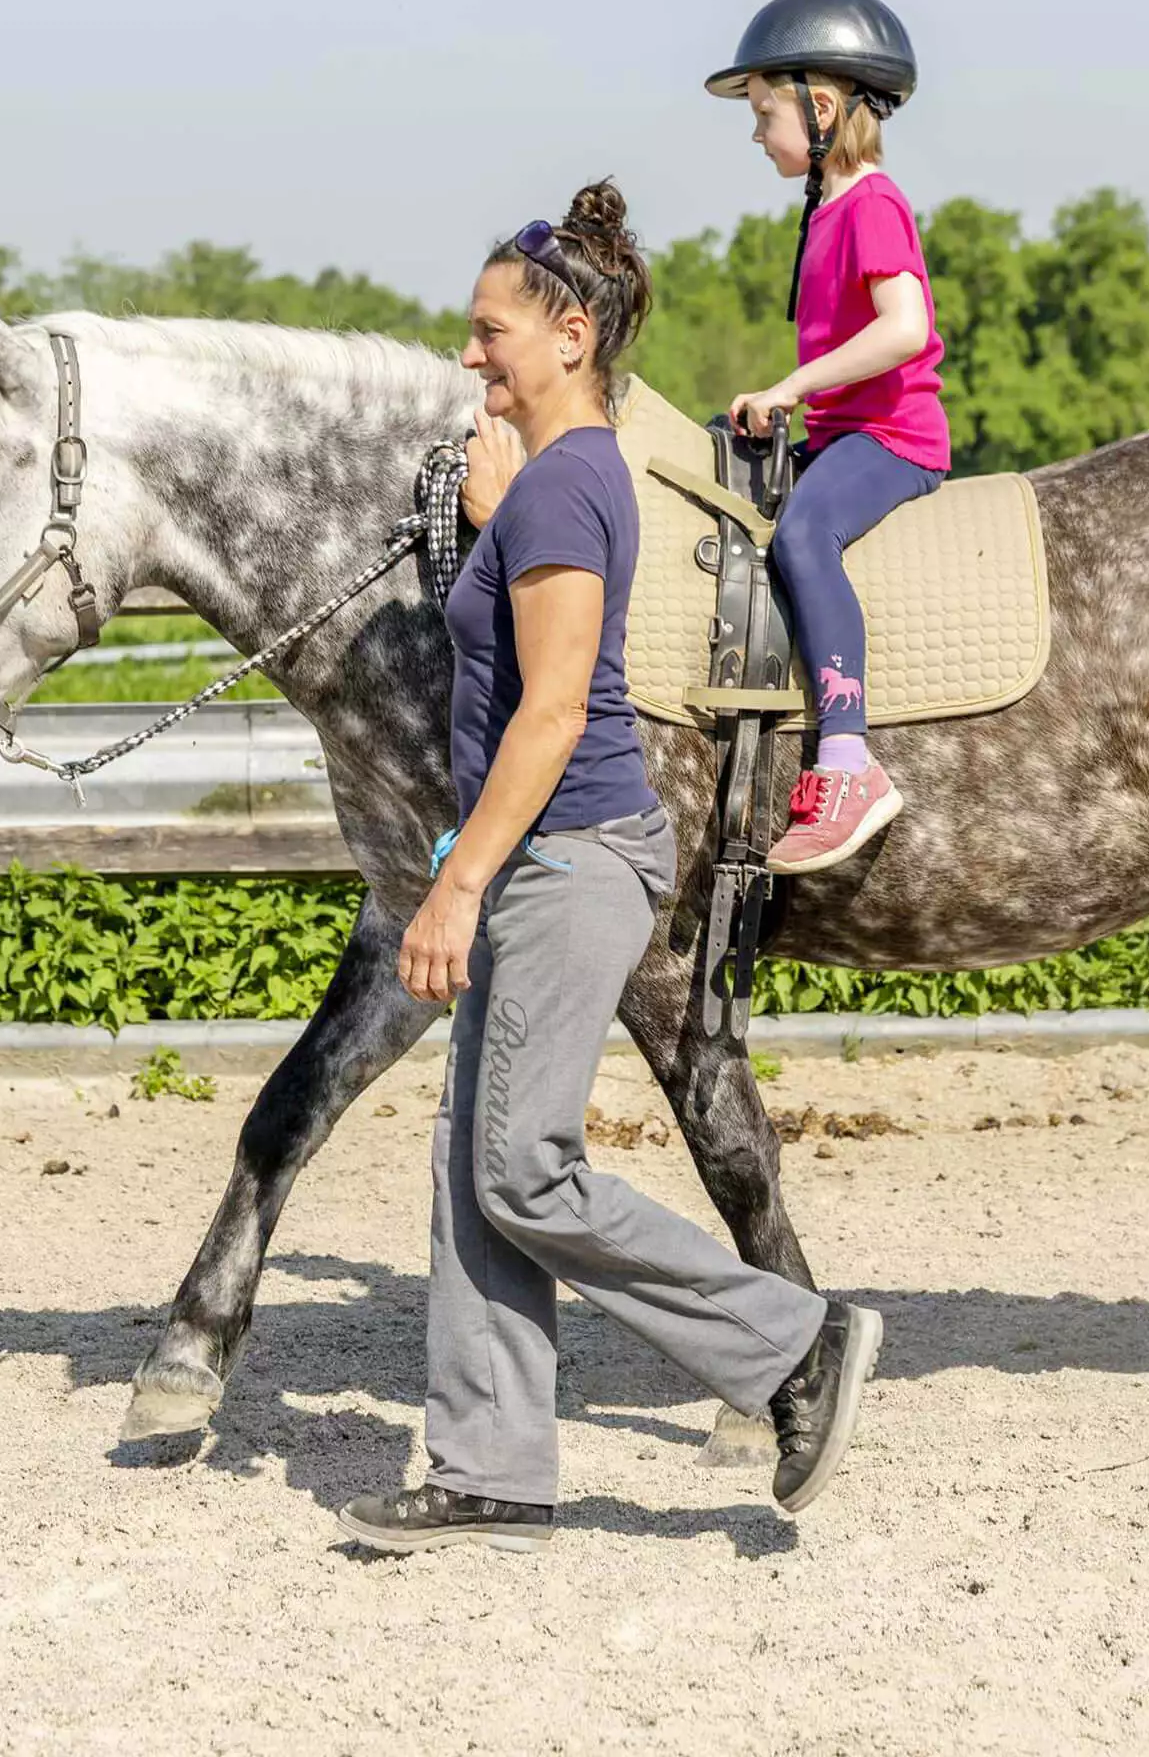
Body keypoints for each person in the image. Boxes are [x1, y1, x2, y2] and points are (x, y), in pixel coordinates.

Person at [335, 180, 882, 1556]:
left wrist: (456, 882)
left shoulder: (574, 486)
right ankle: (489, 1471)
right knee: (476, 1175)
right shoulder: (548, 483)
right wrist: (487, 523)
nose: (470, 354)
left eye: (490, 330)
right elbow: (504, 673)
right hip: (531, 850)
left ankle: (794, 1346)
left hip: (573, 857)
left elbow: (559, 707)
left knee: (523, 1167)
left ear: (571, 333)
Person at [706, 0, 951, 875]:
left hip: (893, 440)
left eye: (765, 110)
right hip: (843, 433)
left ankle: (849, 761)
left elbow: (906, 329)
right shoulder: (828, 211)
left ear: (820, 106)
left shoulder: (872, 205)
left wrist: (791, 386)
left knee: (804, 534)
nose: (757, 130)